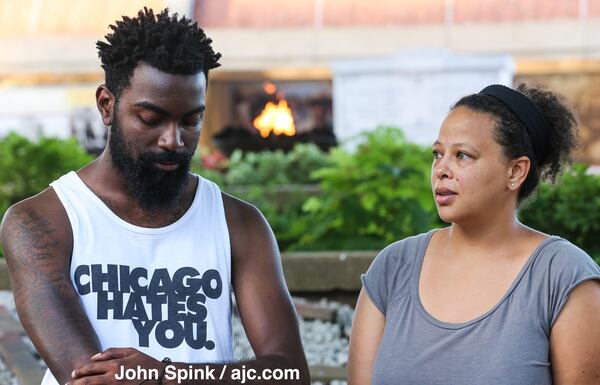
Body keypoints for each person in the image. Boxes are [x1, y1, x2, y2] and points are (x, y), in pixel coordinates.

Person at [0, 8, 309, 385]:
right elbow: (90, 379)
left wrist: (164, 376)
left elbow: (291, 372)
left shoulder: (239, 223)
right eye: (151, 118)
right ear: (106, 105)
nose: (173, 140)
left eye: (191, 120)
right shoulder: (41, 220)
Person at [347, 84, 600, 384]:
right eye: (437, 154)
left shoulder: (562, 276)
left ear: (515, 172)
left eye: (463, 155)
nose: (441, 169)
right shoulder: (393, 267)